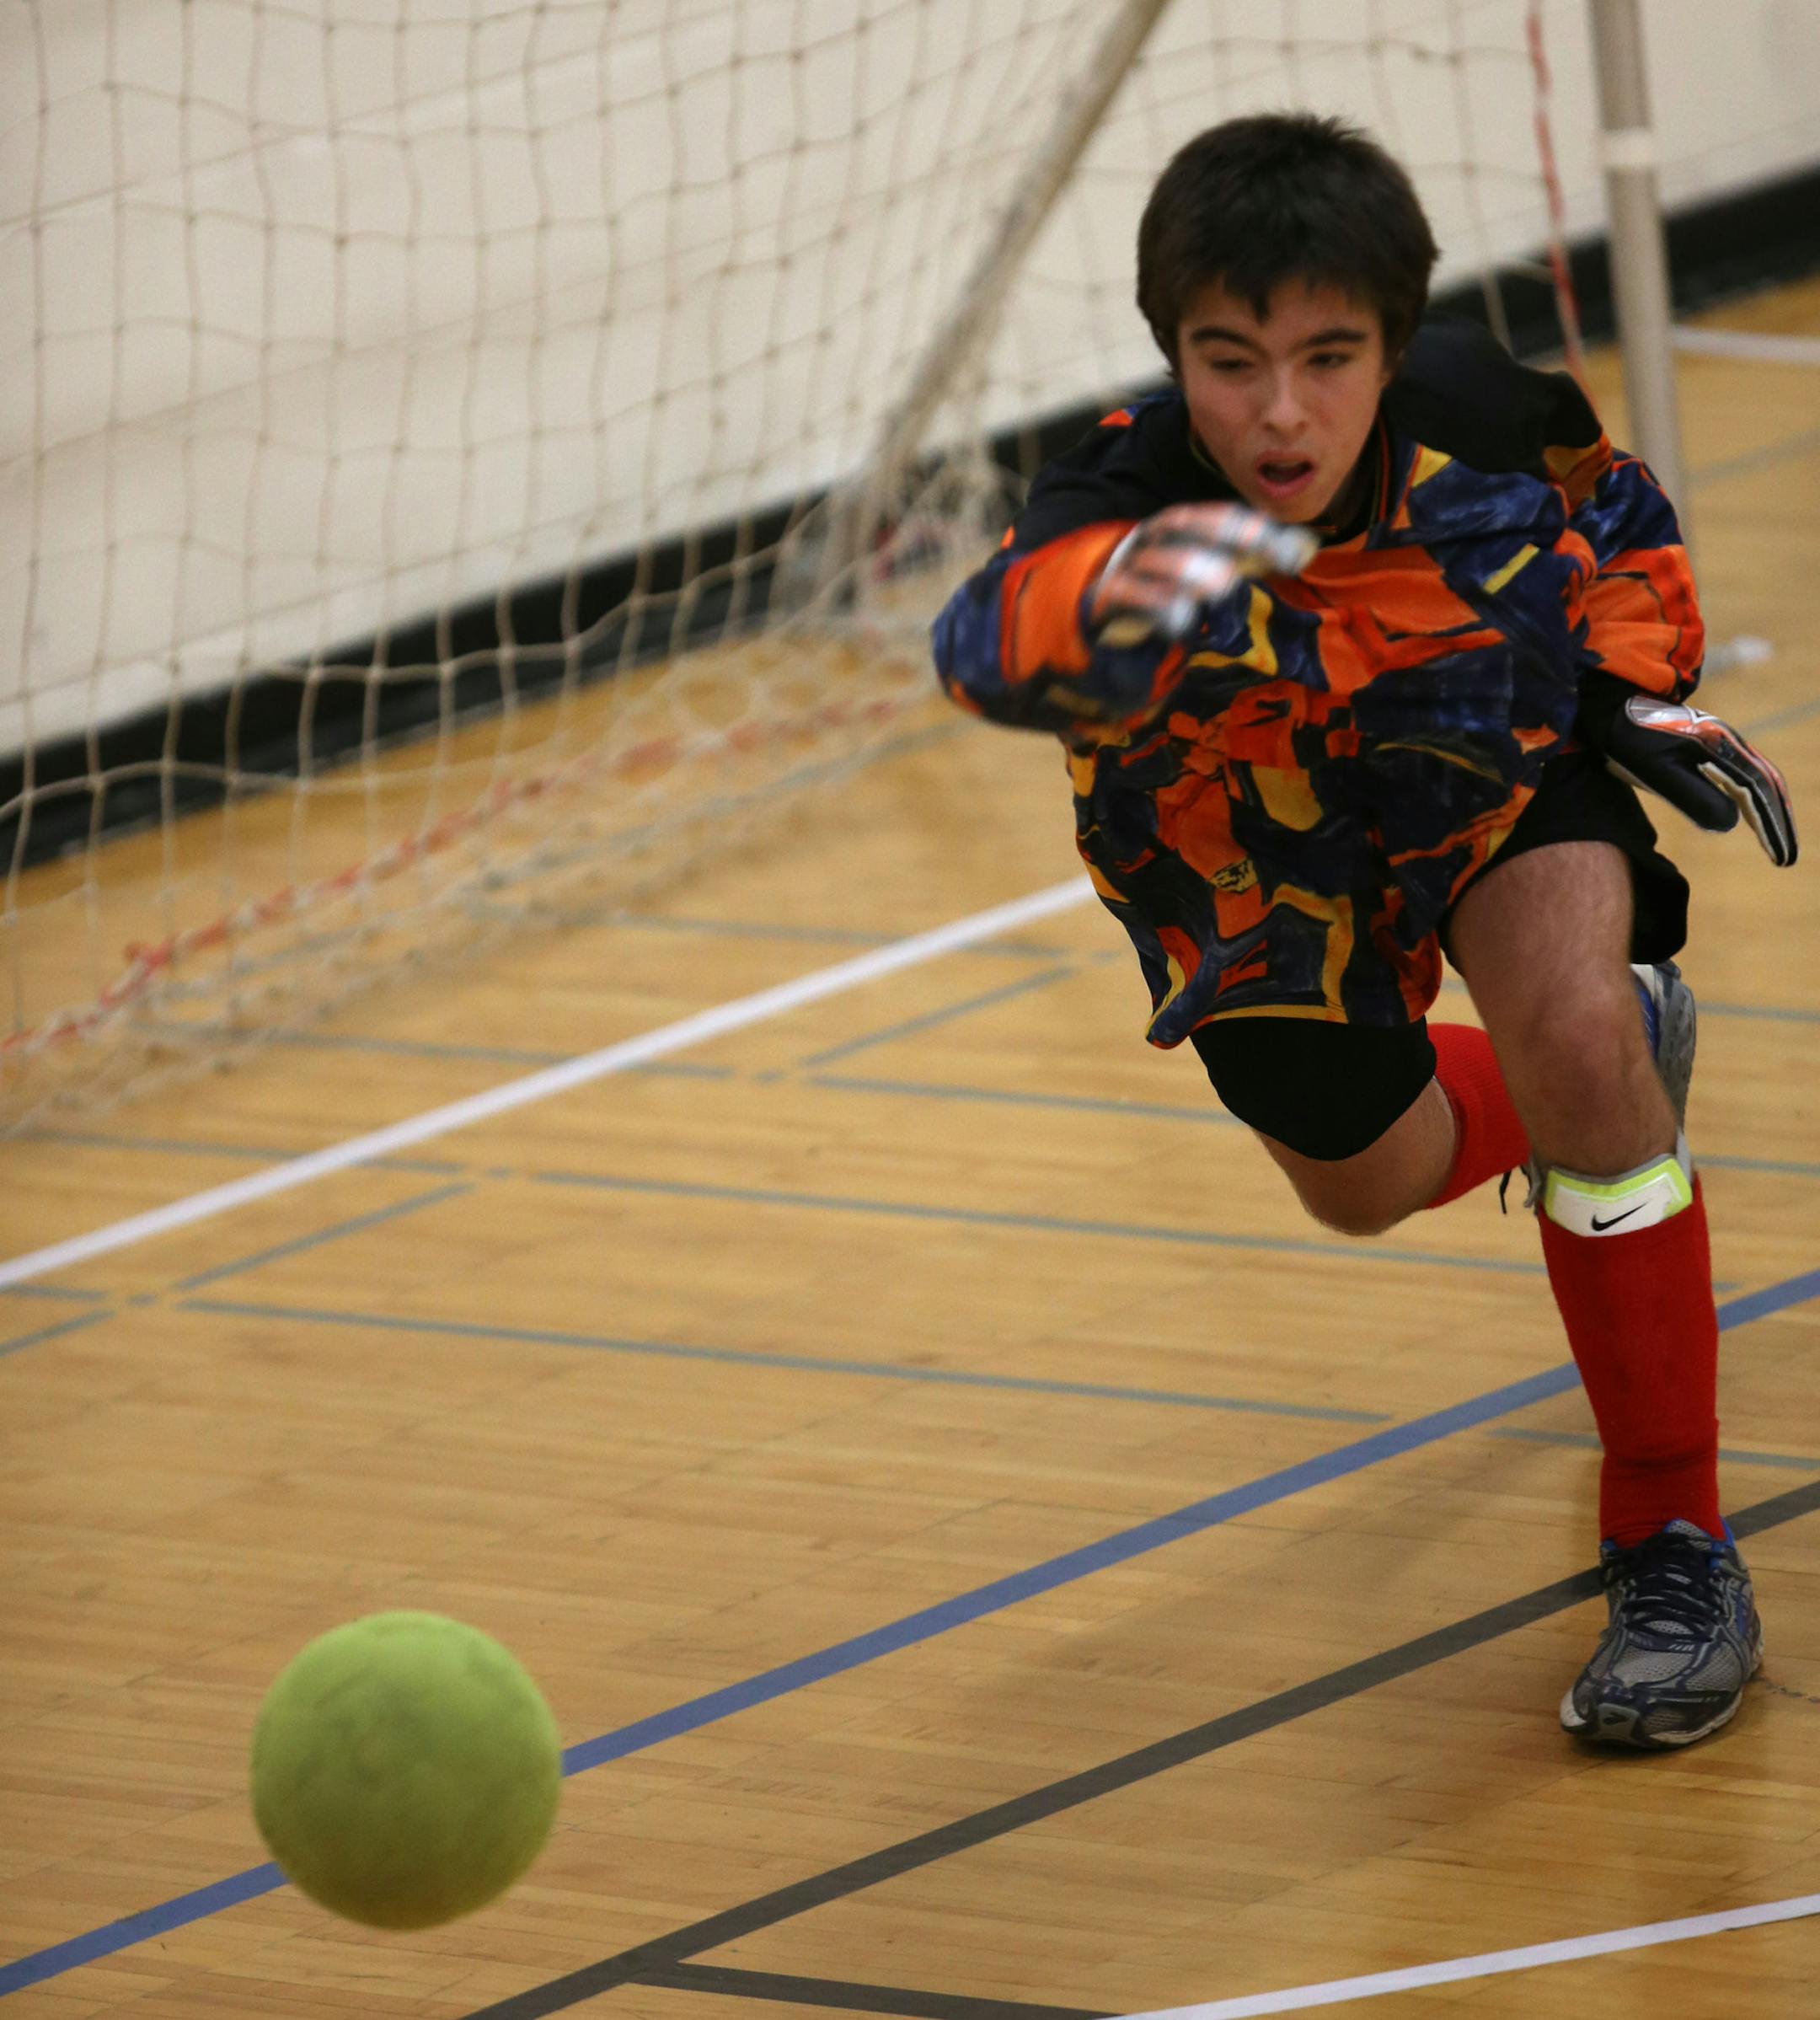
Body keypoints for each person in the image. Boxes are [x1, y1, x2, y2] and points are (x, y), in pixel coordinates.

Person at [931, 112, 1797, 1749]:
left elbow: (1613, 520)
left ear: (1393, 347)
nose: (1279, 410)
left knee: (1579, 1029)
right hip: (1249, 877)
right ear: (1169, 350)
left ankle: (1673, 1538)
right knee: (1366, 1181)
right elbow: (985, 637)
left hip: (1484, 780)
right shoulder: (1112, 503)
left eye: (1327, 358)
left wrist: (1629, 681)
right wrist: (1112, 597)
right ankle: (1566, 1091)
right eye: (1231, 358)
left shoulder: (1479, 414)